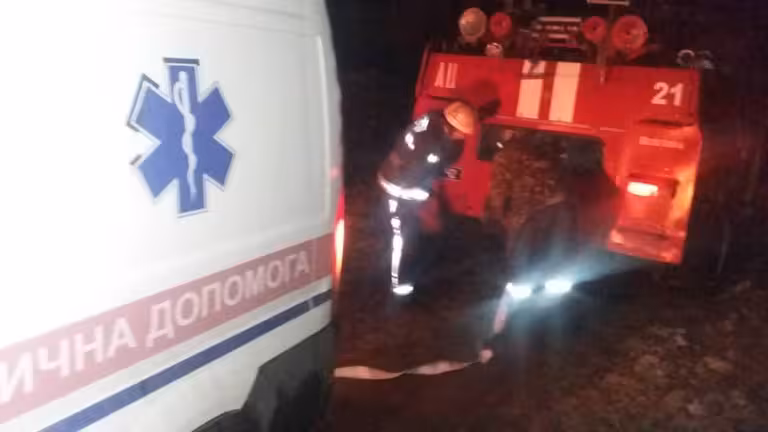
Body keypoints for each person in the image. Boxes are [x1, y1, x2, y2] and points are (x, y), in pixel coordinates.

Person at [378, 101, 478, 293]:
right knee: (401, 237)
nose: (463, 136)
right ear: (451, 126)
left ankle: (403, 267)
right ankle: (397, 284)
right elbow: (419, 172)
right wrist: (427, 197)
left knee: (415, 232)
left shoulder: (434, 122)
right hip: (398, 189)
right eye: (461, 132)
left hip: (406, 184)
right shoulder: (430, 145)